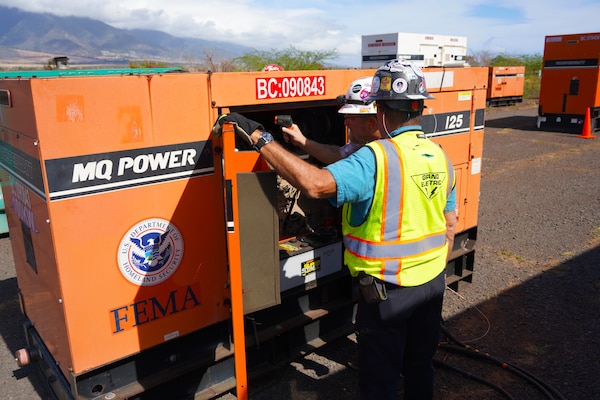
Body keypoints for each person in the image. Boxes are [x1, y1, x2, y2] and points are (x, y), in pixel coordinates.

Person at [212, 59, 457, 400]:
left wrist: (260, 137)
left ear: (381, 111)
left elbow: (314, 185)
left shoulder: (376, 158)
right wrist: (433, 269)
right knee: (419, 366)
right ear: (419, 107)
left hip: (388, 292)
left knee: (379, 378)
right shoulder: (439, 155)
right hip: (432, 284)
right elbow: (450, 223)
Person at [282, 76, 380, 164]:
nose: (345, 123)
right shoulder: (365, 144)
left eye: (350, 117)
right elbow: (338, 155)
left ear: (371, 123)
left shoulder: (385, 153)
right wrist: (302, 140)